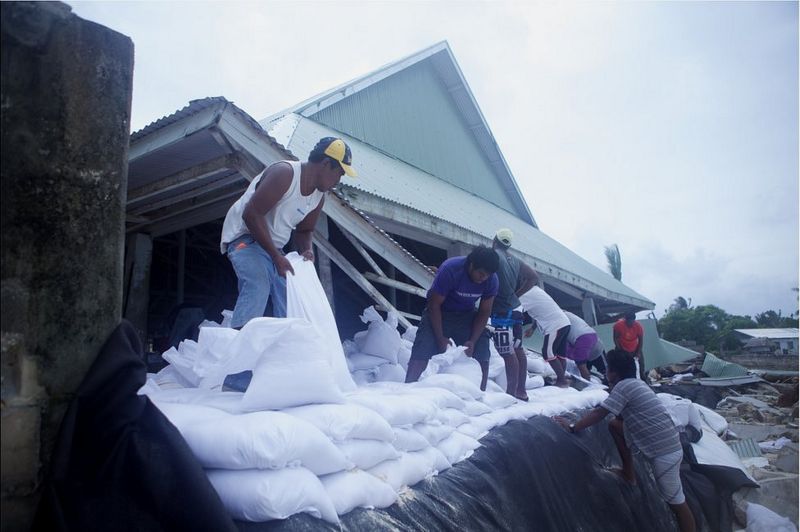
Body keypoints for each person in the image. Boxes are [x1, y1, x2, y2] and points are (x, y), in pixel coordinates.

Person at [220, 137, 356, 329]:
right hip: (245, 240)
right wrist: (276, 256)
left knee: (291, 297)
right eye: (339, 173)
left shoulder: (318, 197)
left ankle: (285, 348)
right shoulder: (286, 174)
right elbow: (251, 215)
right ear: (326, 164)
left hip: (273, 249)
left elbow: (305, 230)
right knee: (259, 284)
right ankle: (239, 343)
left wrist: (306, 251)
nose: (338, 181)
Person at [554, 350, 696, 532]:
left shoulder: (625, 387)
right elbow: (618, 416)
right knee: (614, 425)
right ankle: (628, 473)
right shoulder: (636, 384)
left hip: (665, 453)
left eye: (608, 369)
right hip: (667, 445)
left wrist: (573, 427)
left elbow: (600, 413)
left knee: (676, 502)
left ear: (614, 372)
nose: (606, 372)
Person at [405, 246, 499, 390]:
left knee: (482, 352)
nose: (484, 278)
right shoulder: (451, 269)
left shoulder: (491, 280)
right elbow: (434, 304)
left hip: (467, 315)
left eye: (487, 275)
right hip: (440, 312)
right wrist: (440, 338)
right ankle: (407, 389)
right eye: (481, 273)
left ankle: (480, 394)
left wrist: (472, 340)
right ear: (472, 265)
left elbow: (484, 312)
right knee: (421, 351)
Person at [490, 228, 537, 400]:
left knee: (506, 351)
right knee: (517, 350)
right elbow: (533, 277)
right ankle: (521, 391)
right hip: (517, 309)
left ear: (494, 240)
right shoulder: (515, 260)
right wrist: (517, 293)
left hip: (502, 310)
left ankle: (510, 394)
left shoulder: (493, 255)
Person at [518, 285, 571, 387]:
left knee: (547, 353)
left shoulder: (525, 295)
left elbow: (516, 311)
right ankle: (561, 379)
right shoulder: (535, 290)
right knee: (560, 354)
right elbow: (541, 309)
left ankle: (562, 380)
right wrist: (532, 328)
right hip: (564, 323)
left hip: (555, 325)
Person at [563, 311, 600, 381]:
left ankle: (589, 386)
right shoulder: (563, 313)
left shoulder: (554, 317)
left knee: (581, 366)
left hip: (583, 339)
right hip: (591, 336)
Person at [613, 310, 646, 380]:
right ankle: (620, 380)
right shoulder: (618, 325)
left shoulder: (638, 326)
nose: (630, 323)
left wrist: (638, 352)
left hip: (634, 348)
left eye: (632, 321)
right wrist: (620, 350)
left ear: (634, 320)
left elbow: (641, 341)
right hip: (622, 348)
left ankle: (644, 380)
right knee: (620, 365)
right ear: (625, 319)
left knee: (641, 365)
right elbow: (615, 338)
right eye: (628, 321)